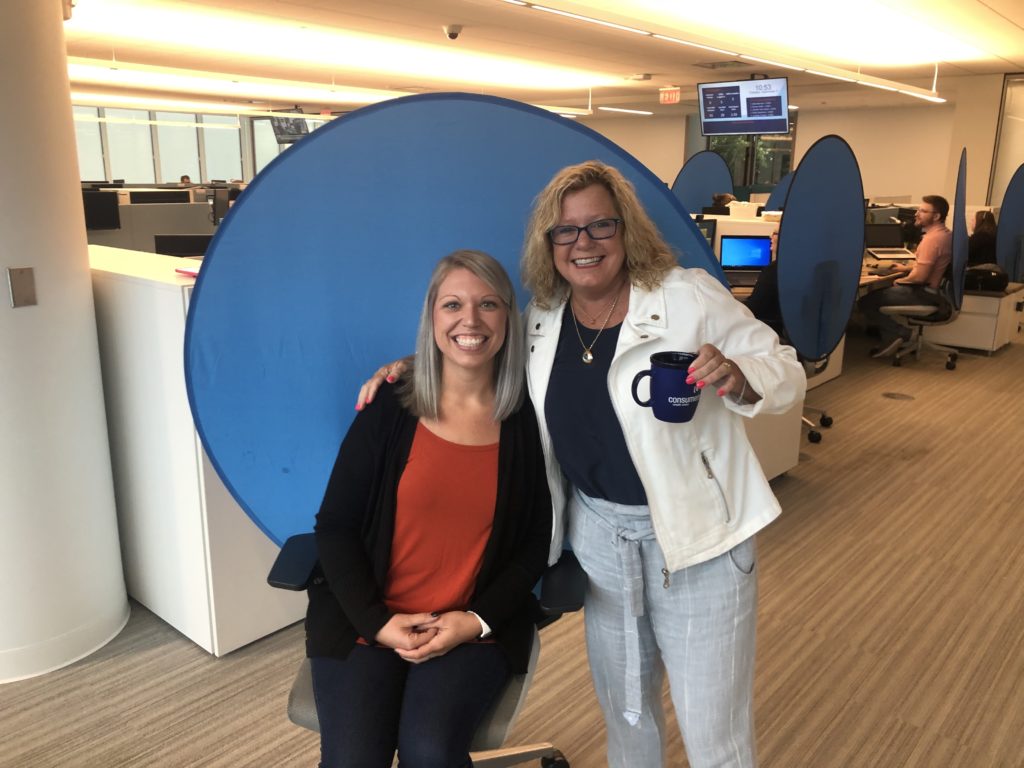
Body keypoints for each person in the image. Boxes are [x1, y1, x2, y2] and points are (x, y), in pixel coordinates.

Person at [359, 161, 805, 768]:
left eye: (600, 226)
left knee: (713, 731)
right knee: (627, 714)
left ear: (627, 231)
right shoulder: (542, 317)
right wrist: (409, 370)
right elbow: (477, 356)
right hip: (599, 538)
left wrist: (741, 374)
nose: (583, 243)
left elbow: (784, 367)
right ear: (549, 244)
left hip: (700, 541)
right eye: (565, 232)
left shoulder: (686, 295)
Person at [308, 250, 552, 768]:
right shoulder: (390, 408)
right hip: (367, 621)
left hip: (467, 628)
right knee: (353, 759)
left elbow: (533, 544)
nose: (471, 320)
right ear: (432, 317)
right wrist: (378, 623)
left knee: (431, 751)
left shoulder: (525, 419)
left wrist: (475, 621)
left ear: (508, 317)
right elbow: (335, 526)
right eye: (453, 304)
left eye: (489, 304)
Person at [859, 195, 953, 357]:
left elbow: (919, 278)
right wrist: (906, 268)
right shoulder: (946, 235)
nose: (916, 214)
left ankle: (900, 333)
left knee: (865, 302)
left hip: (923, 292)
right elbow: (929, 266)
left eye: (923, 211)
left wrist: (900, 280)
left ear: (936, 216)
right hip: (936, 292)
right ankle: (894, 336)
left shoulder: (931, 240)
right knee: (880, 291)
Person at [744, 228, 784, 338]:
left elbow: (753, 309)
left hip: (770, 332)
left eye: (775, 233)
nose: (771, 237)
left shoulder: (774, 270)